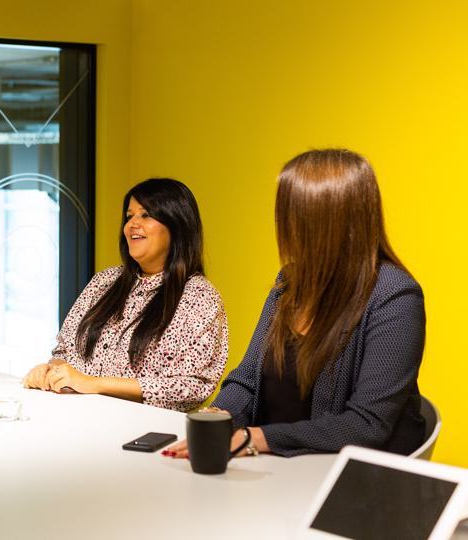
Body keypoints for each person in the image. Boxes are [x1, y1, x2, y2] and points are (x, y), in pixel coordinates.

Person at [165, 149, 426, 459]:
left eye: (288, 213)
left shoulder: (394, 296)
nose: (280, 224)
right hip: (279, 465)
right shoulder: (289, 281)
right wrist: (219, 418)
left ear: (322, 222)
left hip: (347, 477)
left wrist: (258, 438)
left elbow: (367, 424)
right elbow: (246, 380)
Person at [23, 178, 228, 411]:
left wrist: (94, 384)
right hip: (76, 417)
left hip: (146, 430)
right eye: (129, 216)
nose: (132, 224)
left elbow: (191, 388)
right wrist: (51, 371)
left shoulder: (199, 297)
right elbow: (64, 351)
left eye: (146, 215)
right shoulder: (104, 281)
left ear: (177, 225)